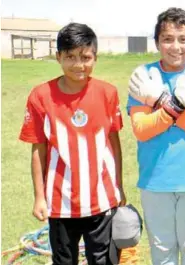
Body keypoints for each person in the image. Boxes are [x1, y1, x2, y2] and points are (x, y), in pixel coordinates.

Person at [19, 22, 126, 265]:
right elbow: (38, 149)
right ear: (58, 57)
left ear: (95, 57)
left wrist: (118, 185)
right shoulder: (40, 96)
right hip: (60, 201)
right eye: (70, 57)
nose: (79, 64)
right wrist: (39, 196)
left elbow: (114, 143)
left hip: (101, 197)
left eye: (85, 57)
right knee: (64, 260)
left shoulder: (107, 93)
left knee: (102, 260)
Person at [126, 7, 185, 265]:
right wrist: (179, 106)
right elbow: (142, 129)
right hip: (156, 179)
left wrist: (160, 101)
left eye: (183, 39)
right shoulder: (144, 75)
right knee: (162, 251)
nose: (175, 46)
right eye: (167, 39)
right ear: (157, 42)